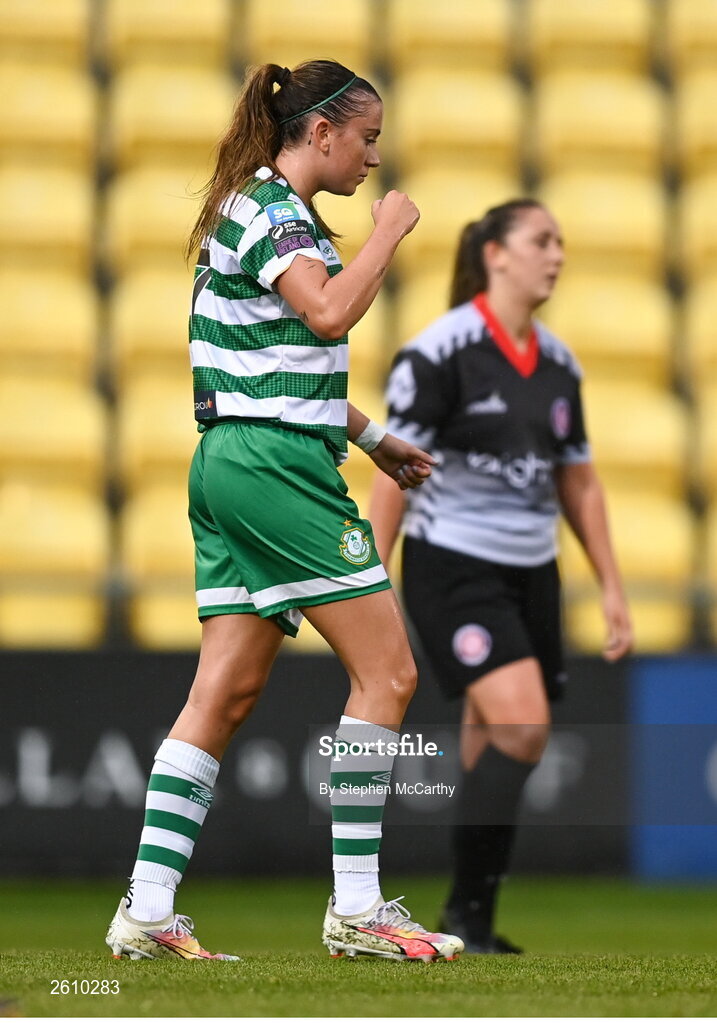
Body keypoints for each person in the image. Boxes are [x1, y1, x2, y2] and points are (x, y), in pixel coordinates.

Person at [105, 58, 464, 964]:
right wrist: (389, 233)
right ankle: (356, 906)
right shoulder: (269, 211)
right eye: (367, 138)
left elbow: (278, 362)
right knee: (388, 676)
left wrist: (373, 435)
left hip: (233, 459)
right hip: (273, 467)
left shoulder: (266, 211)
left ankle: (146, 908)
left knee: (224, 691)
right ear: (319, 133)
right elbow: (329, 315)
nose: (373, 158)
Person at [369, 200, 633, 954]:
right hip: (452, 563)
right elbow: (393, 471)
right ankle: (456, 910)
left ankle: (469, 922)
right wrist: (371, 576)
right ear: (496, 255)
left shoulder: (558, 363)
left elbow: (576, 480)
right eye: (541, 240)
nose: (555, 254)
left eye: (560, 241)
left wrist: (609, 582)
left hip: (532, 570)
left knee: (496, 737)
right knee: (522, 726)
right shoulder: (441, 351)